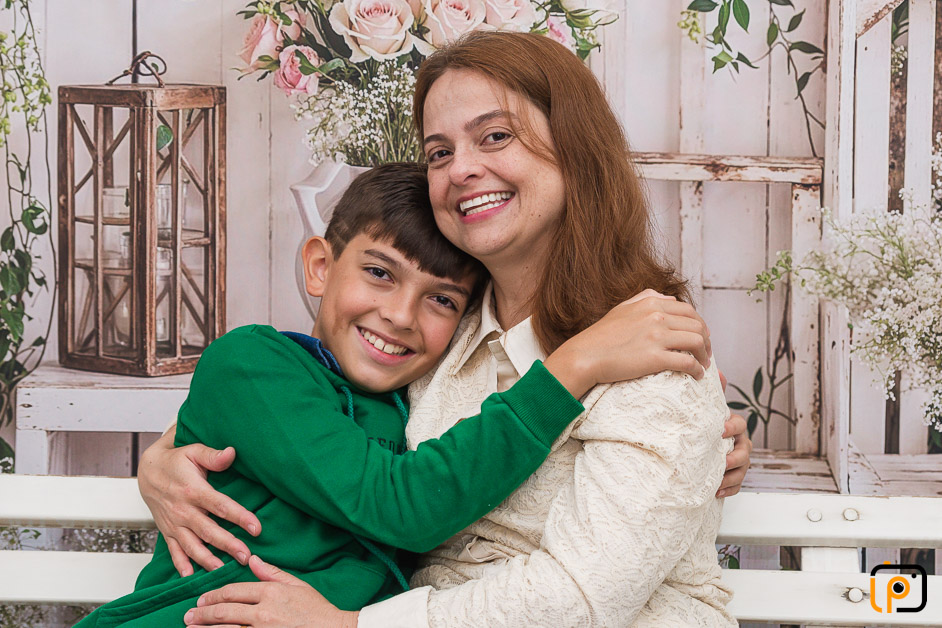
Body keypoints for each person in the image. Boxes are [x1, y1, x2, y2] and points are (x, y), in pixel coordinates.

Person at [147, 31, 753, 628]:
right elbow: (319, 425)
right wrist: (163, 458)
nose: (461, 168)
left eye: (495, 136)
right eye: (439, 152)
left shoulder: (647, 352)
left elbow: (580, 596)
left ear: (575, 148)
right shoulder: (446, 331)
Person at [75, 163, 712, 628]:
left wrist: (710, 436)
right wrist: (570, 370)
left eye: (442, 300)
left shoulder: (420, 401)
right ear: (320, 266)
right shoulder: (251, 361)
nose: (401, 316)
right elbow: (399, 504)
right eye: (379, 273)